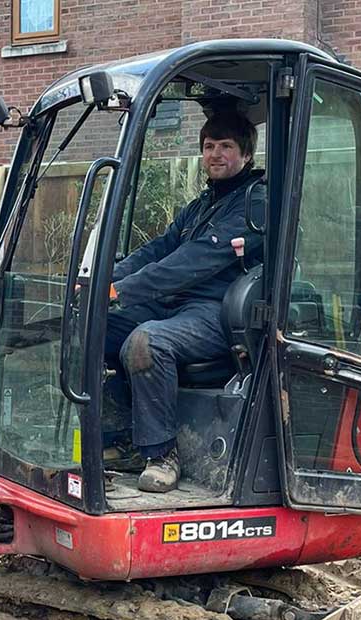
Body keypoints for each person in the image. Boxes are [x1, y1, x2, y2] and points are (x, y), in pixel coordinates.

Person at [103, 110, 265, 493]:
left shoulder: (255, 204)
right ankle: (120, 438)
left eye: (226, 146)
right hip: (176, 308)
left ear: (246, 154)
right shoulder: (201, 205)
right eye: (209, 146)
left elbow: (189, 262)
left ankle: (162, 455)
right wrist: (103, 279)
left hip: (217, 313)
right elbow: (159, 249)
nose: (215, 154)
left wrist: (122, 291)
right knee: (94, 328)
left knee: (148, 341)